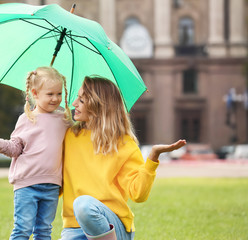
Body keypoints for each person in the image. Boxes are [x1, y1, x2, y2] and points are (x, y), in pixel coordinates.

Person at [60, 76, 186, 240]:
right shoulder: (69, 136)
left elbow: (138, 194)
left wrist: (153, 158)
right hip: (74, 228)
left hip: (113, 225)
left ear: (98, 105)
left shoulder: (124, 143)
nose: (74, 103)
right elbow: (56, 183)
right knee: (81, 206)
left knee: (83, 204)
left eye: (81, 100)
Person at [0, 66, 72, 240]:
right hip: (27, 185)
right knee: (23, 229)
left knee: (44, 231)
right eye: (50, 94)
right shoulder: (26, 119)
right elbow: (14, 148)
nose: (55, 99)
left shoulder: (64, 120)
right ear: (35, 93)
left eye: (59, 94)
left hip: (52, 185)